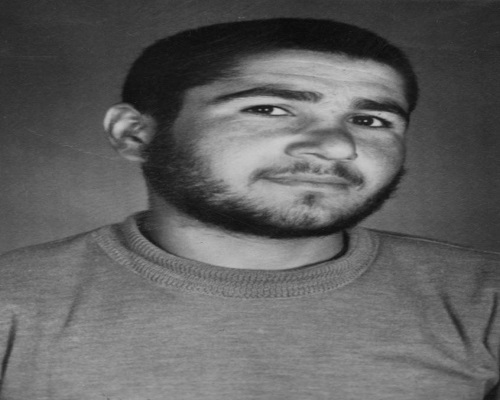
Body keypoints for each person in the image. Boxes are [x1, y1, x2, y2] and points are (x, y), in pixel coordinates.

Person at [0, 18, 499, 400]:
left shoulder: (485, 300)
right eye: (269, 109)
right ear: (134, 134)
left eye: (370, 120)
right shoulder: (12, 302)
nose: (335, 146)